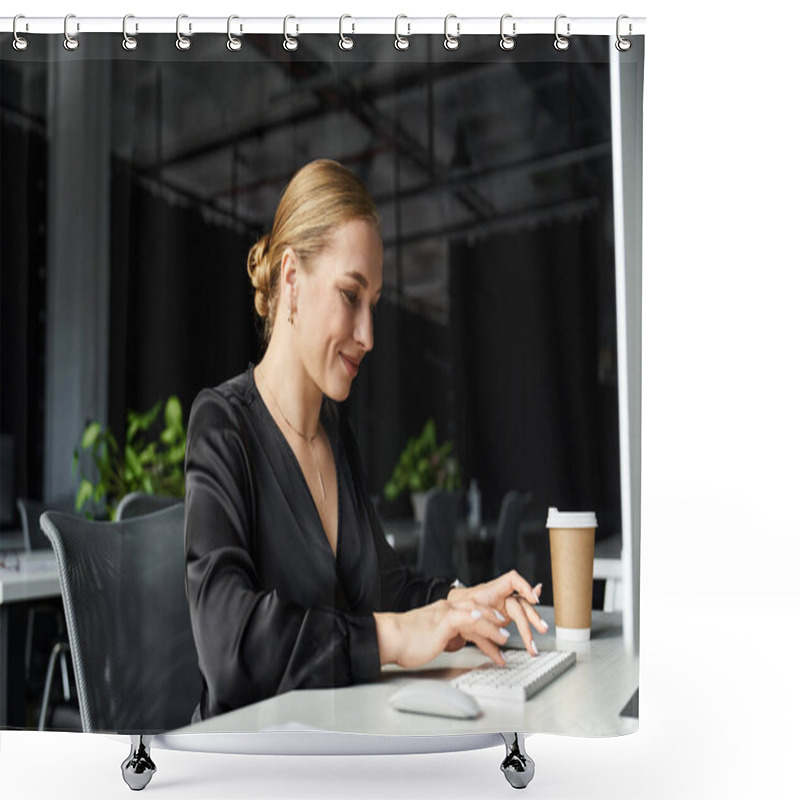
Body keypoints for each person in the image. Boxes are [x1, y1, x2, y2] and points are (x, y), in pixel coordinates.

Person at [184, 159, 548, 721]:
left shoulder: (337, 436)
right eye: (351, 295)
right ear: (291, 280)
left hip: (339, 740)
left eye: (372, 304)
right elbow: (228, 646)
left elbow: (386, 589)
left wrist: (460, 603)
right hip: (253, 760)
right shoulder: (223, 425)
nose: (369, 336)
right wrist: (396, 638)